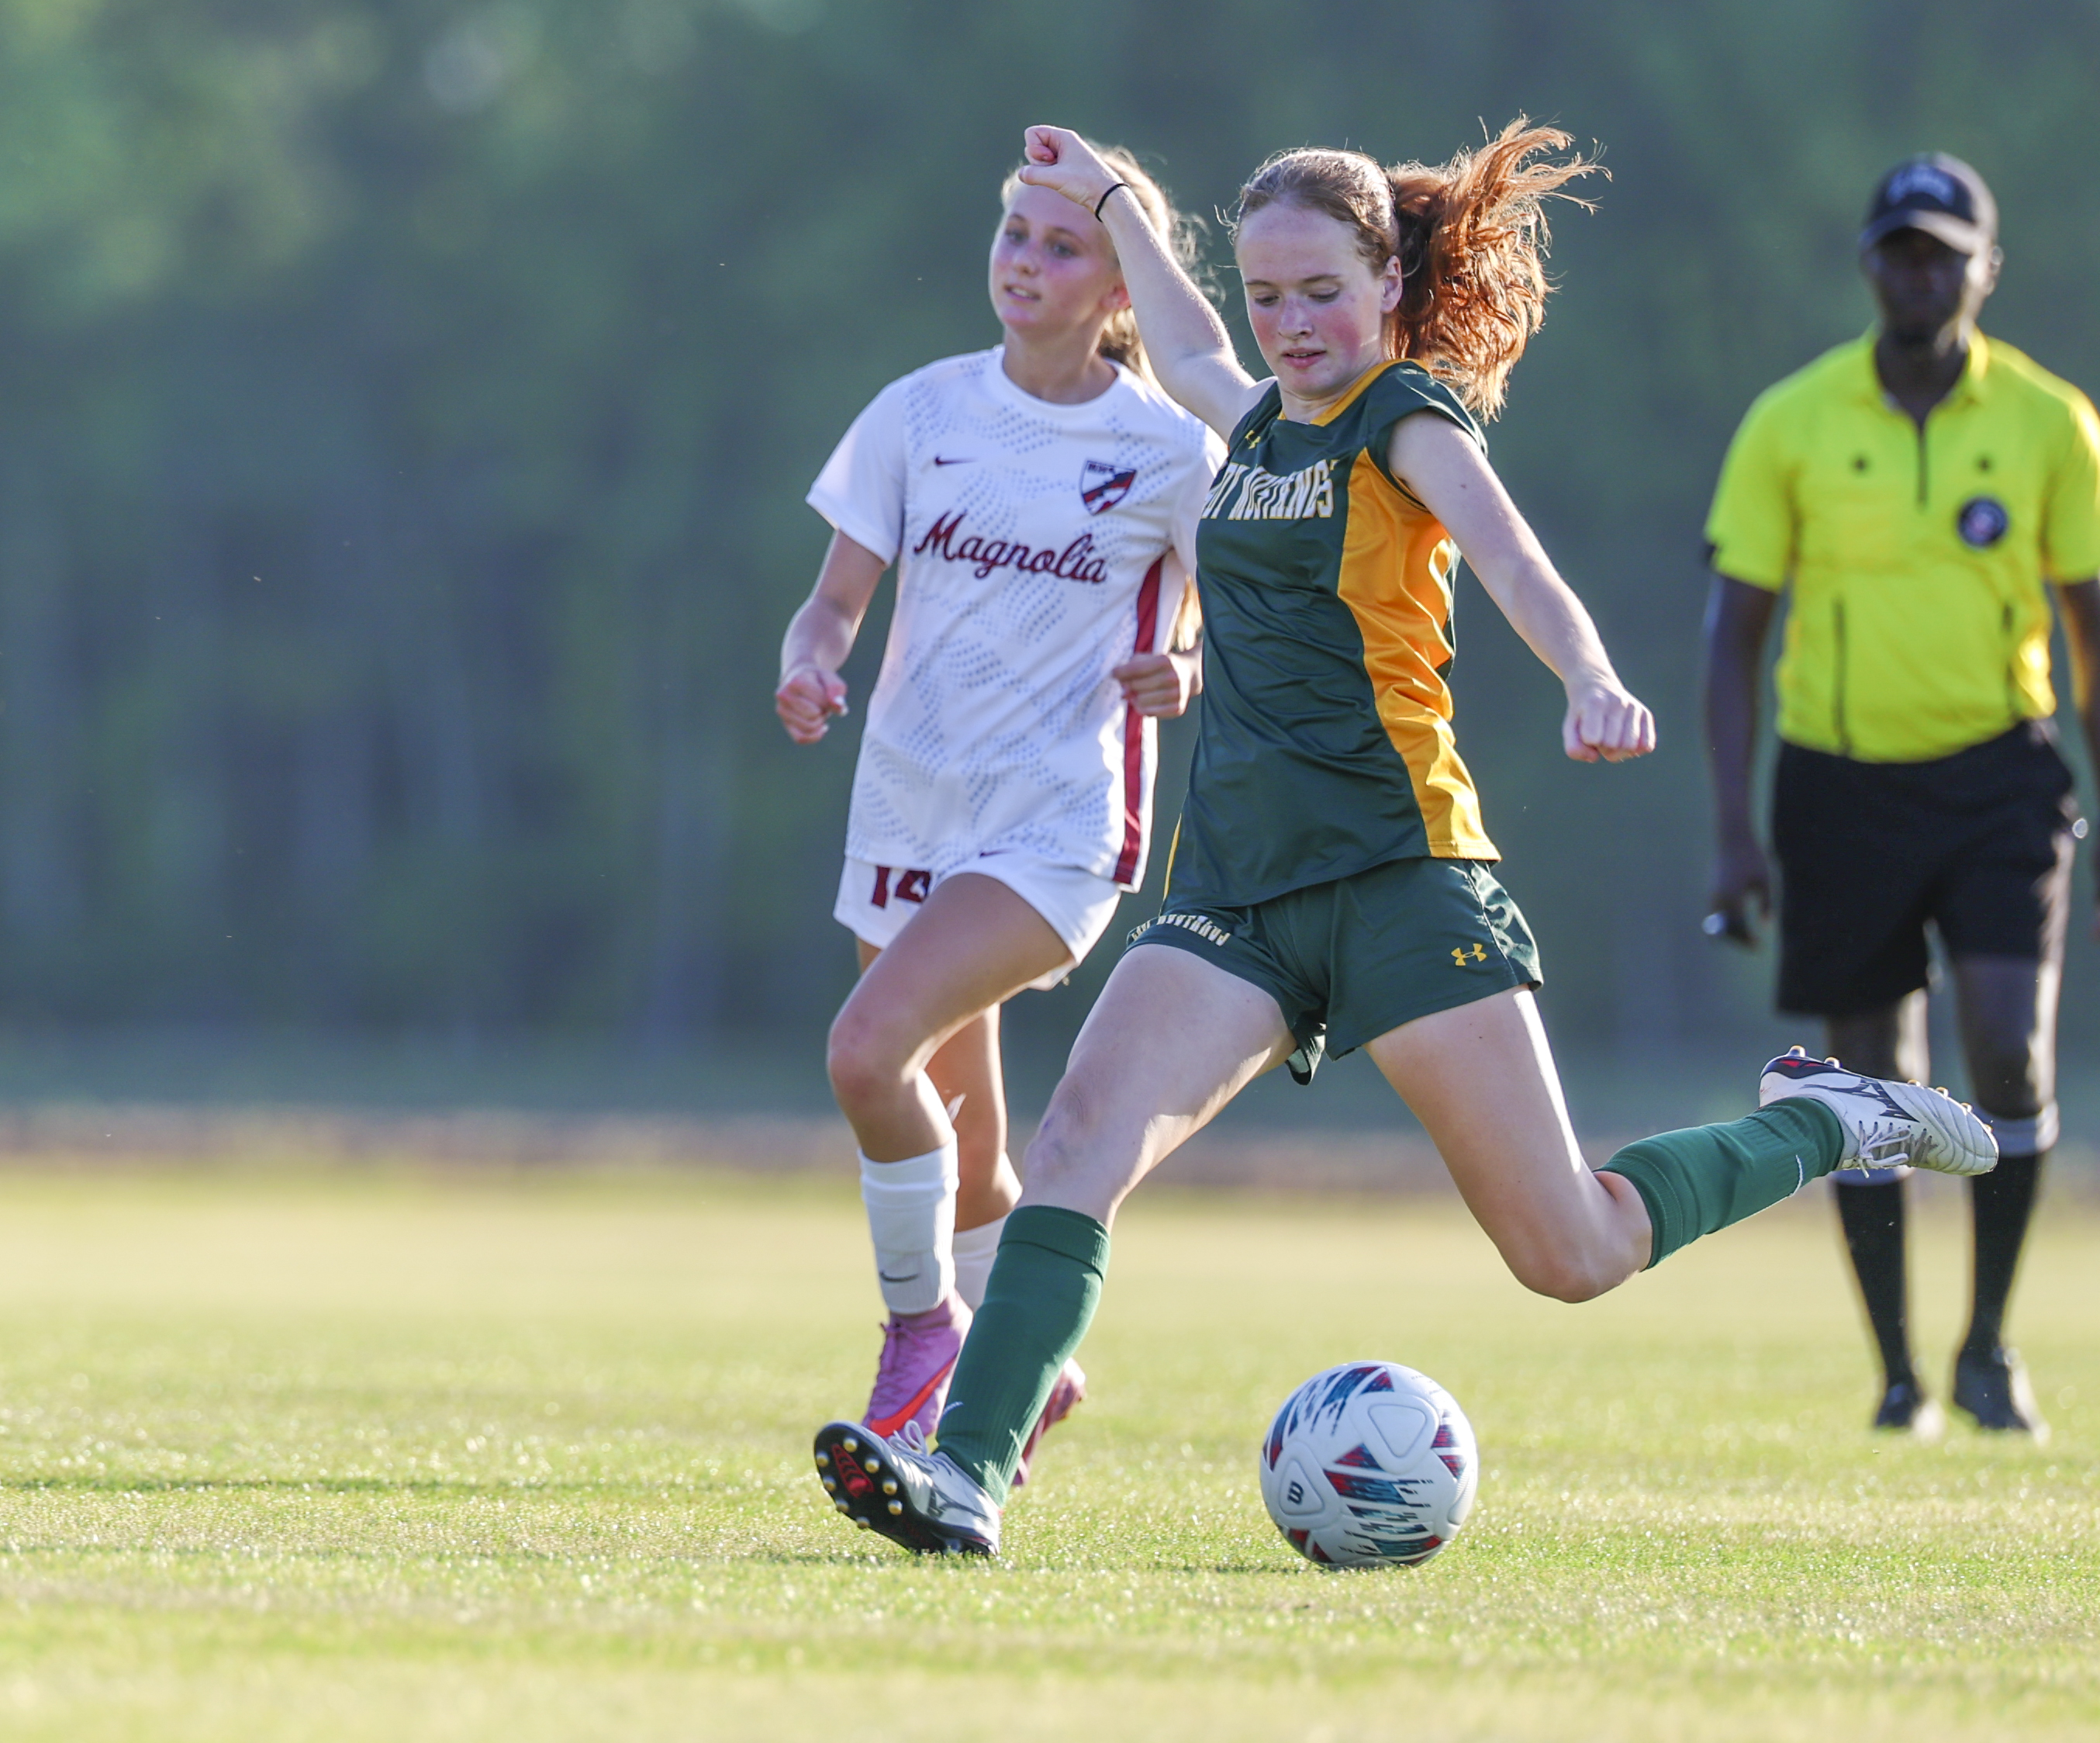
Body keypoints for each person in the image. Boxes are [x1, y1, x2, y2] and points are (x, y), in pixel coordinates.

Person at [811, 120, 1998, 1558]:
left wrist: (1588, 676)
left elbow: (1509, 555)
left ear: (1385, 282)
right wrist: (1116, 197)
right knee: (1075, 1144)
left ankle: (1821, 1118)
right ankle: (966, 1477)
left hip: (1399, 880)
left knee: (1571, 1250)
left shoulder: (1404, 419)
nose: (1290, 323)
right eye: (1267, 295)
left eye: (1321, 291)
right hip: (1235, 895)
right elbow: (1186, 345)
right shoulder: (1252, 421)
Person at [775, 143, 1221, 1475]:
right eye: (1014, 234)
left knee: (867, 1054)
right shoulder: (919, 411)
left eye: (1060, 245)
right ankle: (1028, 1373)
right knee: (968, 1157)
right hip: (906, 812)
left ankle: (923, 1337)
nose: (1024, 261)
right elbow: (832, 602)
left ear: (1122, 288)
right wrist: (808, 663)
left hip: (1055, 826)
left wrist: (1183, 671)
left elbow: (1226, 630)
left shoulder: (1170, 449)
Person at [1701, 154, 2100, 1440]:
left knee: (2008, 1048)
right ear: (1867, 264)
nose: (1919, 274)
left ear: (1984, 270)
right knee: (1870, 1084)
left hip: (1998, 773)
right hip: (1838, 781)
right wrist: (1734, 832)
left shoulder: (2048, 420)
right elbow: (1733, 635)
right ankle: (1898, 1373)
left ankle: (1988, 1345)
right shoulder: (1791, 420)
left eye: (1943, 255)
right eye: (1899, 252)